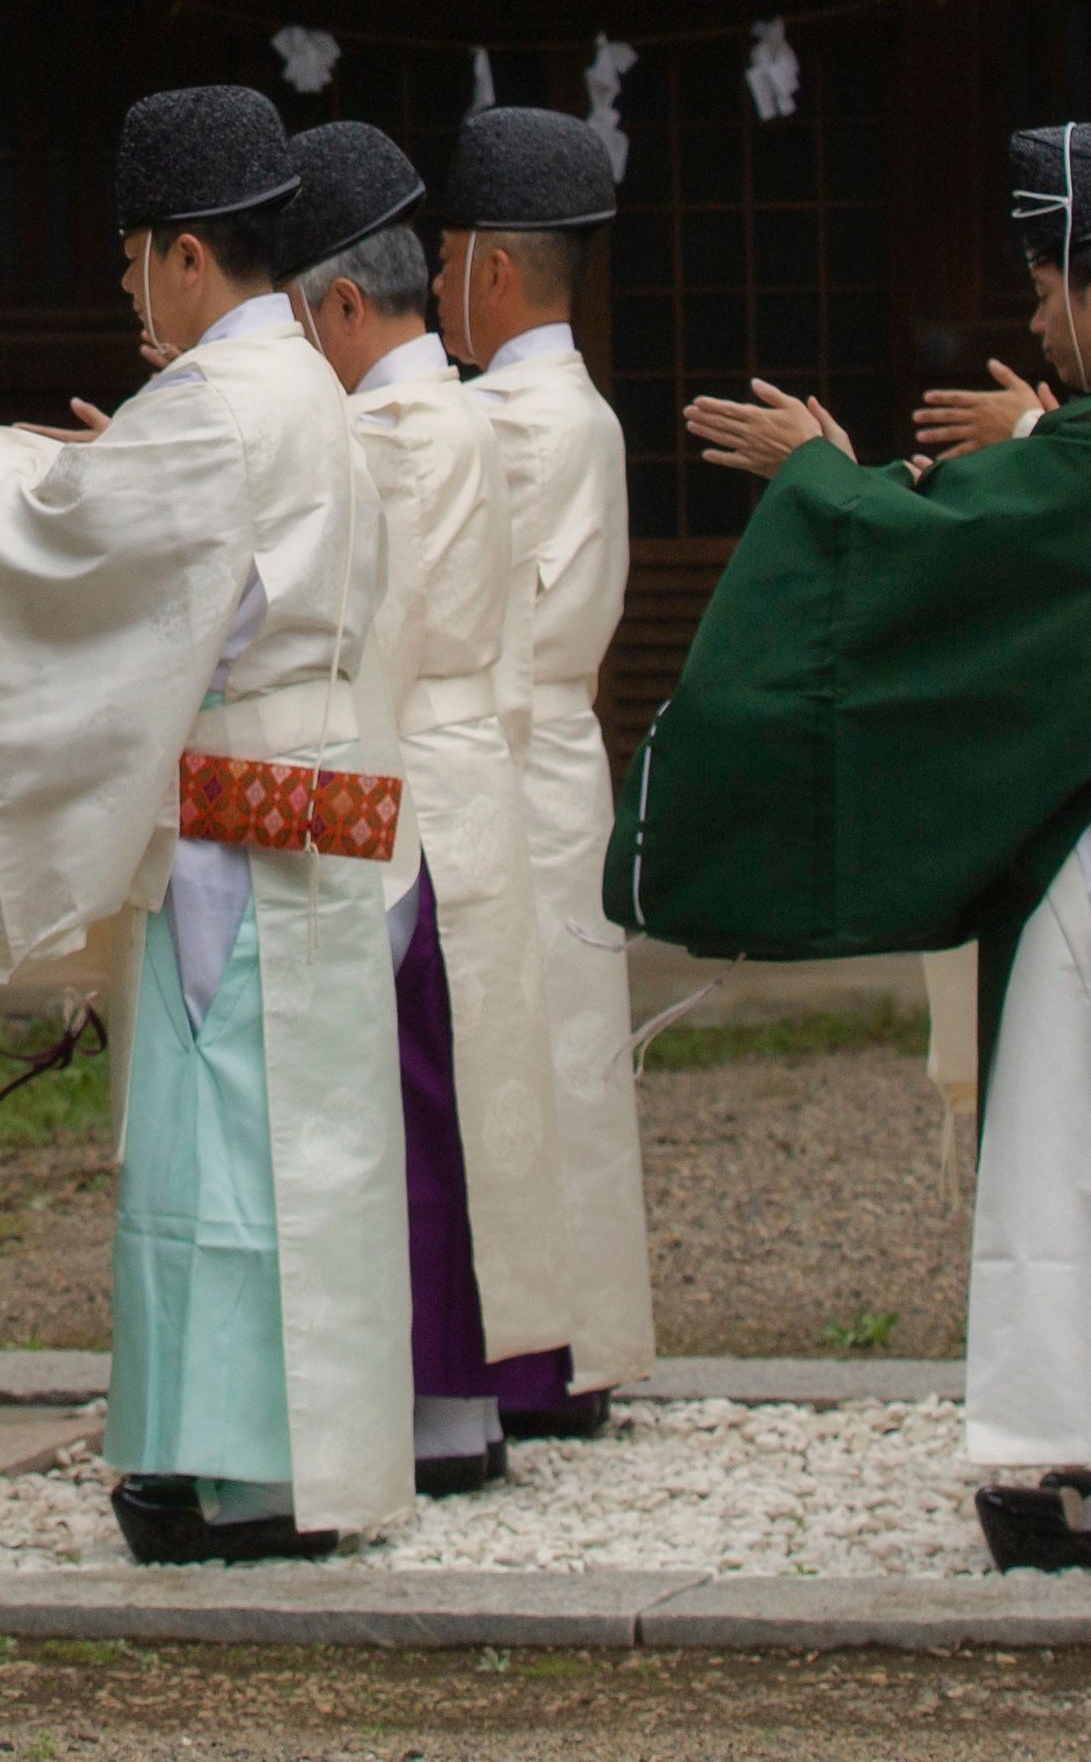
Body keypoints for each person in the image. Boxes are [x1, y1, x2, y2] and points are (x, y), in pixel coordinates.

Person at [612, 109, 1091, 1570]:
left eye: (1043, 288)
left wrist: (818, 476)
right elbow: (999, 532)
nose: (1033, 317)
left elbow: (950, 553)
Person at [0, 84, 412, 1563]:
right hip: (313, 784)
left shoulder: (219, 402)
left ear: (177, 254)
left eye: (129, 256)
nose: (123, 283)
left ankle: (229, 1469)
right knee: (316, 1141)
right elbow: (156, 536)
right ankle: (289, 1453)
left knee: (220, 1142)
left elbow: (76, 555)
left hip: (235, 806)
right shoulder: (303, 390)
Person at [280, 119, 571, 1500]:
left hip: (409, 776)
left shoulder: (393, 429)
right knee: (450, 1092)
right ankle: (455, 1390)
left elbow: (352, 627)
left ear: (341, 305)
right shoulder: (446, 408)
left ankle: (438, 1396)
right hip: (462, 769)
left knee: (409, 1095)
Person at [435, 105, 652, 1437]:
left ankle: (522, 1349)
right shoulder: (576, 409)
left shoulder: (501, 421)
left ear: (492, 271)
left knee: (507, 1050)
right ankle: (571, 1343)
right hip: (559, 753)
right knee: (564, 1051)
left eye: (447, 253)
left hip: (505, 754)